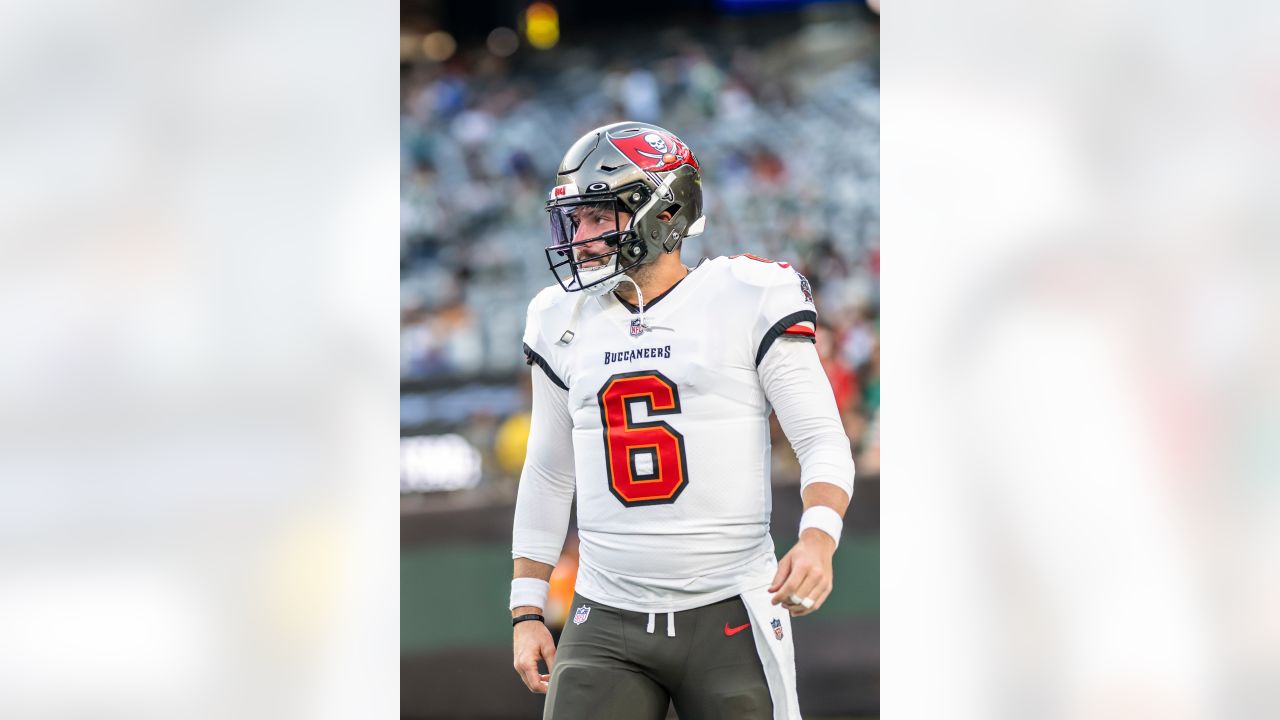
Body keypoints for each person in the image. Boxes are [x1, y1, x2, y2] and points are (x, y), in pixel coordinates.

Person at [510, 122, 855, 720]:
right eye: (577, 220)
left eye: (599, 218)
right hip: (604, 614)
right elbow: (547, 469)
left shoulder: (748, 295)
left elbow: (821, 438)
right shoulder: (558, 317)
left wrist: (819, 538)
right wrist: (527, 608)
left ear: (662, 213)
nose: (582, 237)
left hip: (730, 608)